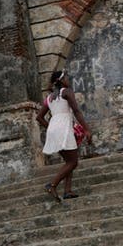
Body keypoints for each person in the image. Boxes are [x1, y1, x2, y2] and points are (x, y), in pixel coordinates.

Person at [36, 70, 92, 202]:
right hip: (64, 128)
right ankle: (52, 184)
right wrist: (87, 129)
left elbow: (39, 117)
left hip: (54, 129)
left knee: (69, 161)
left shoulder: (49, 98)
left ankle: (67, 191)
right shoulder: (67, 91)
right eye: (66, 77)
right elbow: (77, 111)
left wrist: (51, 127)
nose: (68, 79)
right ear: (61, 80)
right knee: (73, 162)